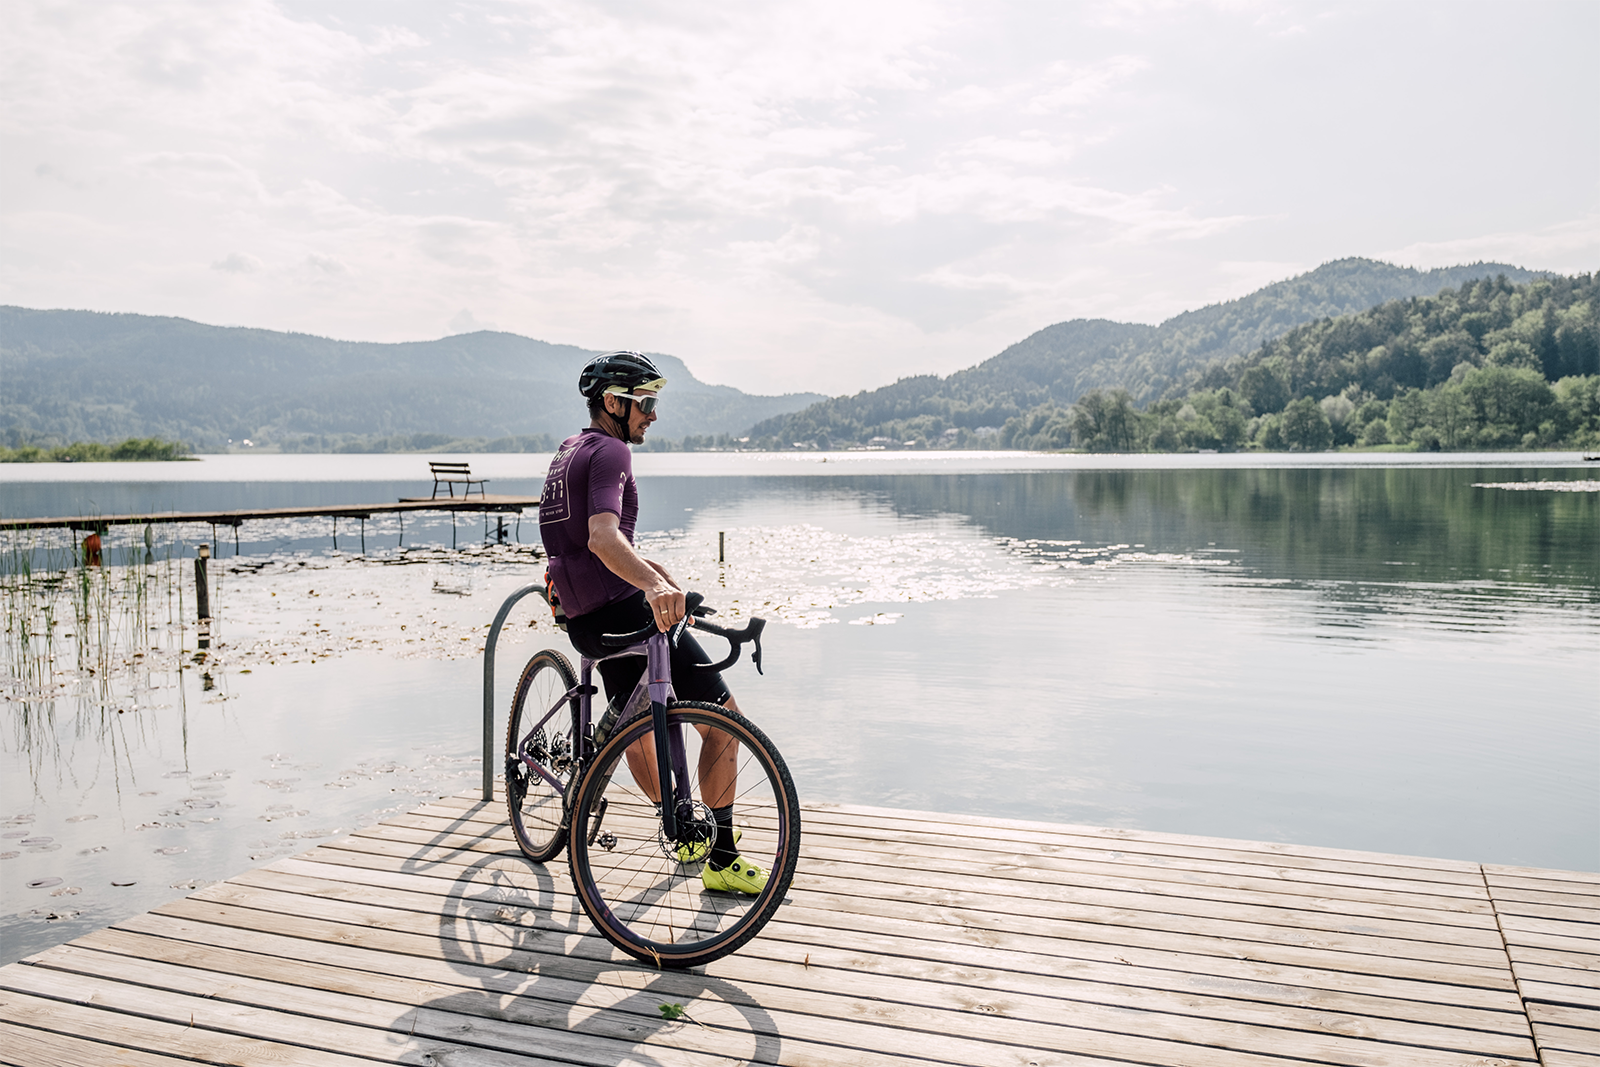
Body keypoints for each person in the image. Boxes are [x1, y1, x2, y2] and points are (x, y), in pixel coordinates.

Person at [538, 351, 767, 894]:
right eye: (645, 403)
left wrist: (656, 573)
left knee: (638, 719)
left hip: (587, 620)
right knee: (725, 720)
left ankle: (683, 832)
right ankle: (722, 856)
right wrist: (655, 588)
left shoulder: (569, 450)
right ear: (613, 402)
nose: (653, 415)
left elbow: (586, 546)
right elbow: (602, 538)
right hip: (626, 613)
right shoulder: (613, 450)